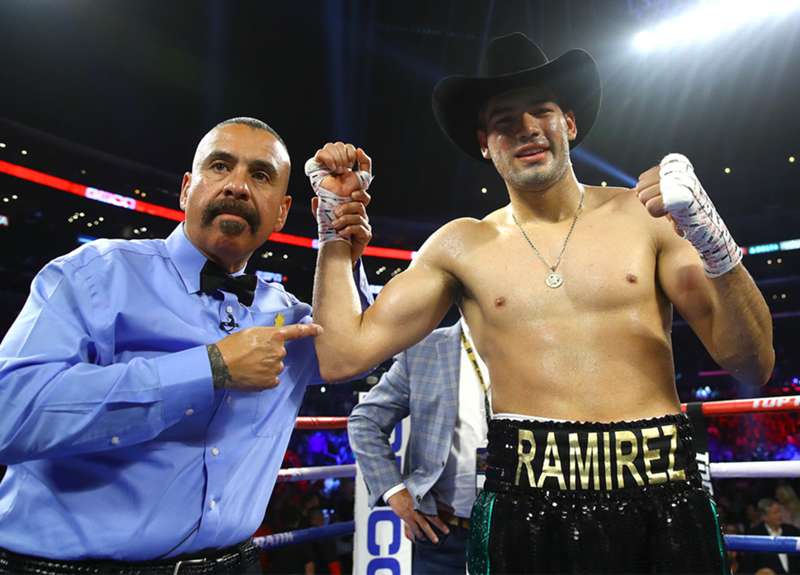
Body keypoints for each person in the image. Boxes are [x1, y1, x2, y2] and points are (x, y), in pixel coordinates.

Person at [307, 32, 774, 574]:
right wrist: (334, 230)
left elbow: (753, 360)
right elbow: (340, 356)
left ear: (568, 124)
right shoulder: (461, 245)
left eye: (541, 111)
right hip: (526, 506)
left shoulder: (645, 218)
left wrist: (715, 246)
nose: (526, 128)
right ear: (485, 143)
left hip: (662, 495)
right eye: (505, 120)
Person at [0, 117, 373, 573]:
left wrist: (335, 237)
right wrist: (211, 367)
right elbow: (8, 415)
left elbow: (352, 355)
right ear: (185, 189)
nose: (237, 185)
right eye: (220, 166)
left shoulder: (289, 317)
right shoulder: (95, 275)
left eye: (260, 175)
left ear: (282, 211)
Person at [348, 319, 490, 574]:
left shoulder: (534, 345)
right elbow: (365, 421)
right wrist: (395, 492)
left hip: (520, 533)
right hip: (443, 535)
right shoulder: (423, 348)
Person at [742, 499, 800, 574]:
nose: (779, 515)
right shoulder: (754, 535)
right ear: (764, 517)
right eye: (775, 513)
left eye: (780, 511)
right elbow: (748, 566)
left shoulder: (792, 531)